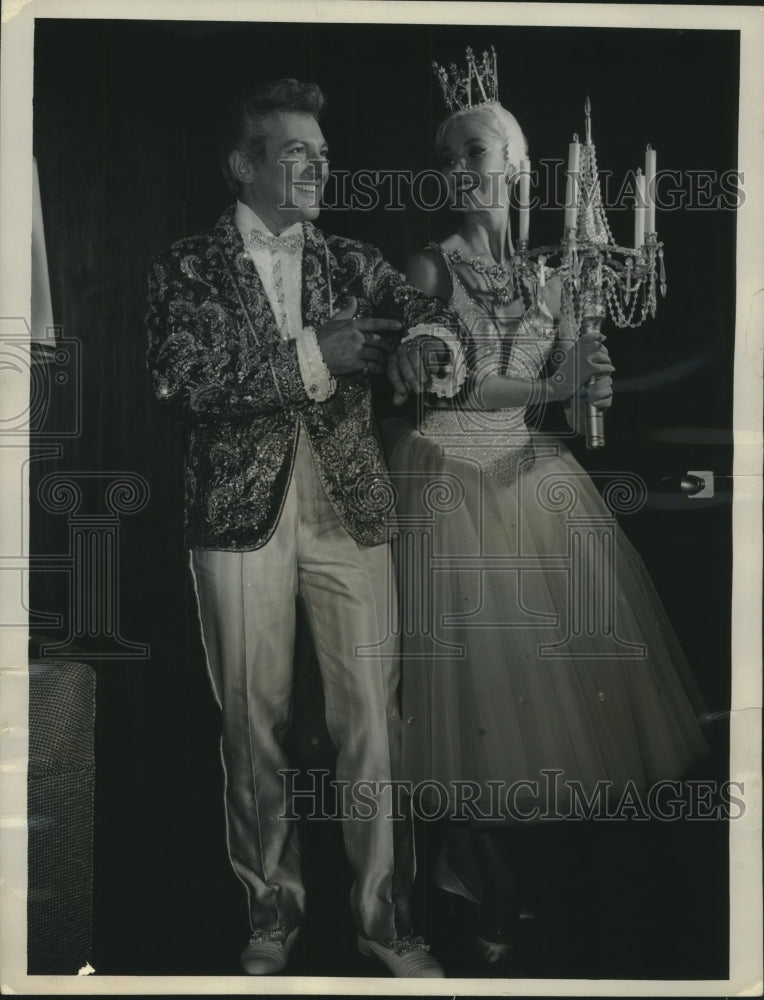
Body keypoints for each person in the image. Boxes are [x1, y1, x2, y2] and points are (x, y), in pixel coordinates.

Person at [384, 48, 709, 965]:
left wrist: (589, 379)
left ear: (519, 165)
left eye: (477, 153)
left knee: (530, 711)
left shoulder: (555, 274)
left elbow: (572, 391)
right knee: (467, 703)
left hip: (534, 482)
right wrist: (552, 385)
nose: (461, 172)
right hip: (451, 481)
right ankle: (470, 870)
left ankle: (480, 877)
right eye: (449, 159)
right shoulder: (432, 265)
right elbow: (435, 391)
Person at [145, 78, 457, 977]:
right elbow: (185, 382)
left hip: (351, 513)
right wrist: (320, 351)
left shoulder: (354, 261)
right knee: (253, 722)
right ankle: (271, 910)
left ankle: (383, 919)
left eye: (323, 152)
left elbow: (430, 316)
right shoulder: (185, 267)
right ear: (244, 164)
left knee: (372, 723)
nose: (319, 165)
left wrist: (430, 348)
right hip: (238, 523)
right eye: (296, 152)